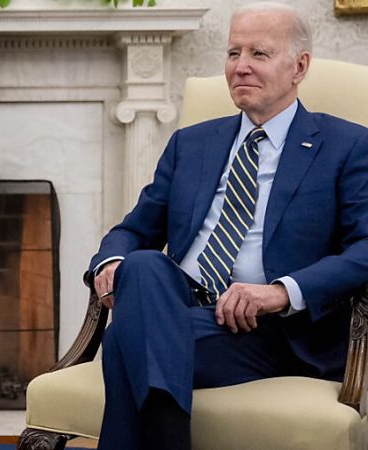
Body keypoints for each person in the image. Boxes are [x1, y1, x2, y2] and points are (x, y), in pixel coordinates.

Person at [86, 3, 368, 449]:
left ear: (300, 66)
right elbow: (135, 229)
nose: (241, 68)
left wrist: (280, 291)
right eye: (233, 53)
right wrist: (112, 260)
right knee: (139, 265)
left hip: (271, 332)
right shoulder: (191, 143)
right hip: (182, 307)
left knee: (126, 338)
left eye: (259, 53)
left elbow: (365, 248)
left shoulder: (347, 145)